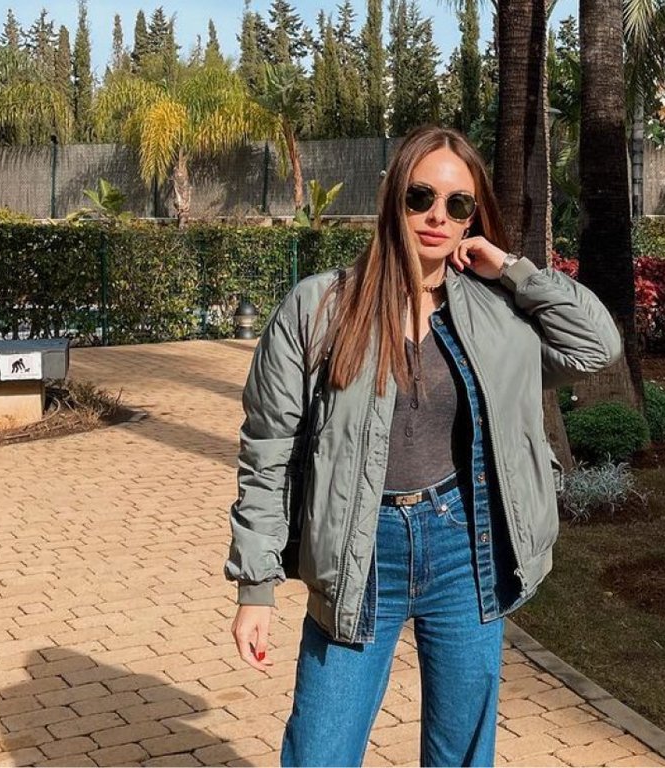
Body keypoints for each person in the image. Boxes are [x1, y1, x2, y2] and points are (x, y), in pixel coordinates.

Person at [224, 124, 623, 767]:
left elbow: (596, 346)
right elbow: (268, 450)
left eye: (457, 204)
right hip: (360, 554)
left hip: (465, 546)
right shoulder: (320, 307)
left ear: (472, 216)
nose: (437, 216)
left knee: (460, 755)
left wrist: (511, 268)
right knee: (319, 752)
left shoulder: (498, 314)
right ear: (393, 198)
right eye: (421, 197)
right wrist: (255, 587)